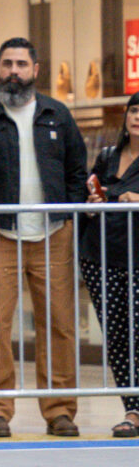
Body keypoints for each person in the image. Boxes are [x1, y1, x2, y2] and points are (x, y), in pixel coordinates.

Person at [0, 36, 87, 438]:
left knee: (61, 323)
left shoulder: (58, 115)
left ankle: (60, 410)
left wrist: (67, 214)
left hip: (53, 233)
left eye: (21, 64)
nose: (13, 71)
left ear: (35, 70)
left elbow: (77, 172)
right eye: (7, 64)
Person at [79, 91, 139, 437]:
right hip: (101, 256)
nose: (136, 117)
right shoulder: (107, 156)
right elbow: (93, 193)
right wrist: (90, 202)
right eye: (133, 110)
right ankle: (131, 408)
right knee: (117, 337)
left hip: (136, 256)